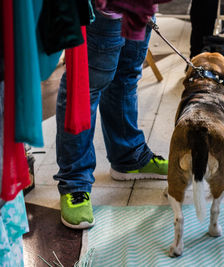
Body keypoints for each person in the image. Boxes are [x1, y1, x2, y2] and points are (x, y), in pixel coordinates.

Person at [54, 10, 168, 229]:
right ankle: (75, 183)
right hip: (104, 9)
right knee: (84, 86)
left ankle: (129, 157)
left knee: (126, 77)